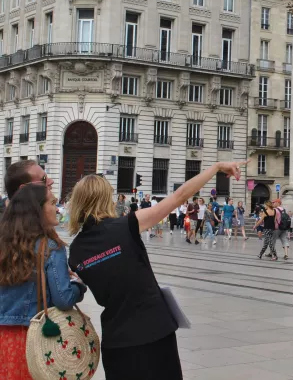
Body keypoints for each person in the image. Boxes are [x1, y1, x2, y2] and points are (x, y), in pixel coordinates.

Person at [68, 161, 245, 380]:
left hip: (116, 340)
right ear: (105, 199)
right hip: (153, 331)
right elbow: (179, 196)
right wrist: (216, 167)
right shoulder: (127, 225)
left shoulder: (75, 251)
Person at [0, 183, 86, 380]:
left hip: (3, 339)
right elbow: (63, 299)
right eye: (53, 203)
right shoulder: (49, 247)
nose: (57, 208)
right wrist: (78, 285)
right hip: (34, 340)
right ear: (37, 209)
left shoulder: (3, 244)